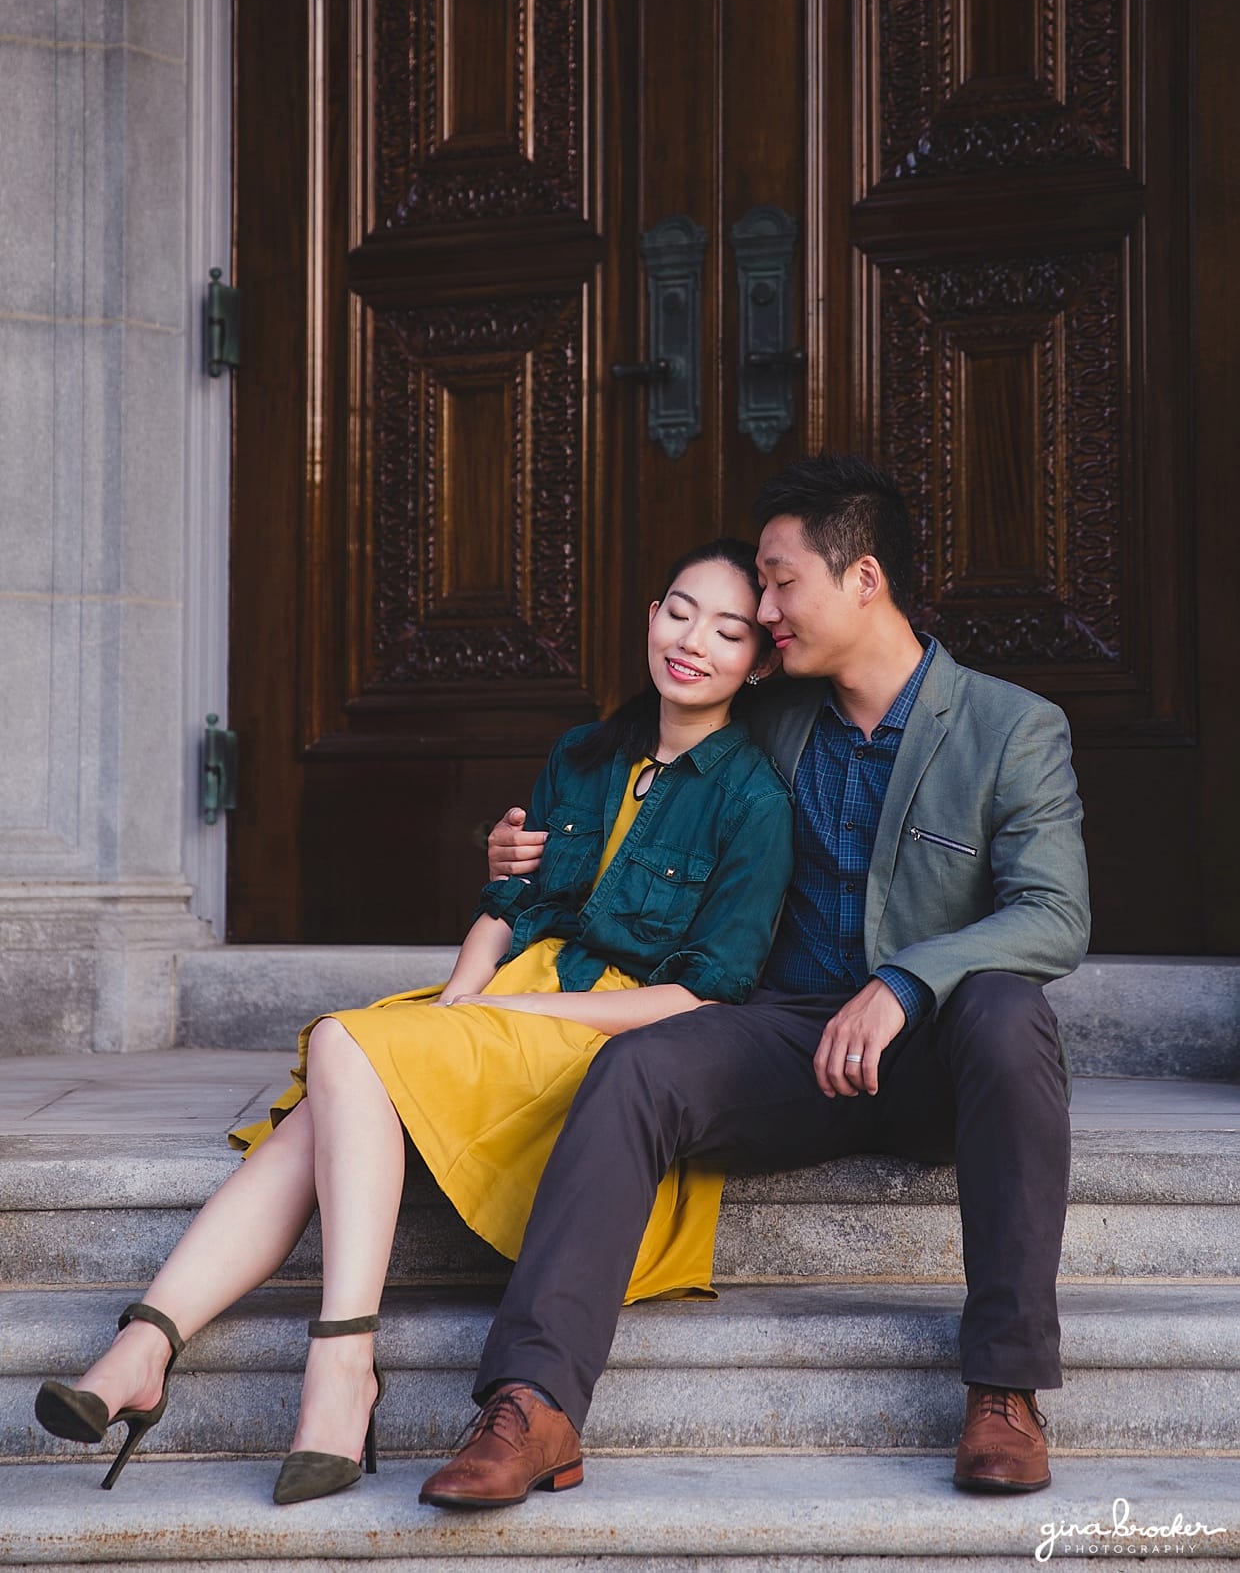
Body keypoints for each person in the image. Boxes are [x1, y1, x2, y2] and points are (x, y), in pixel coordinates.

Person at [33, 540, 793, 1506]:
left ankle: (330, 1365)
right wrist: (458, 1002)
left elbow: (706, 996)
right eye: (679, 612)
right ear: (650, 614)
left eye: (728, 632)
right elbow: (512, 907)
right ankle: (149, 1349)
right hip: (515, 1003)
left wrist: (508, 1008)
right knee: (351, 1075)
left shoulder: (754, 801)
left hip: (609, 1040)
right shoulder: (586, 755)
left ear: (758, 663)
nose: (692, 643)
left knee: (345, 1043)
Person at [422, 452, 1089, 1510]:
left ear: (861, 580)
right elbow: (619, 779)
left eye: (779, 583)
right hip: (779, 1040)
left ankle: (1003, 1390)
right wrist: (511, 852)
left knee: (1011, 1009)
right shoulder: (770, 720)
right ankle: (533, 1405)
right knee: (637, 1070)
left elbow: (1055, 916)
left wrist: (907, 984)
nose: (761, 609)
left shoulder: (1012, 729)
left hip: (938, 1053)